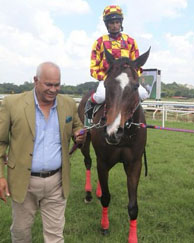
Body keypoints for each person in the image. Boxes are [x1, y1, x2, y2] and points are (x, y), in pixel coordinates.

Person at [0, 62, 85, 242]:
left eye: (57, 85)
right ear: (36, 81)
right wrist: (0, 176)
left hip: (57, 182)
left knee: (55, 236)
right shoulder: (12, 104)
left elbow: (77, 125)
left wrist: (78, 133)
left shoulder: (68, 104)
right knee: (21, 233)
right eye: (48, 84)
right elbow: (1, 142)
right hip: (24, 181)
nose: (53, 90)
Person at [85, 5, 149, 119]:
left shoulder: (130, 41)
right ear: (107, 25)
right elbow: (93, 67)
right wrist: (105, 78)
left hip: (127, 80)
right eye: (111, 23)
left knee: (143, 94)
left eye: (117, 22)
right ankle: (89, 108)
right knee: (100, 96)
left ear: (121, 23)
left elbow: (137, 66)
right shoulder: (99, 42)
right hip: (108, 79)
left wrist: (132, 78)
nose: (114, 26)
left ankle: (132, 119)